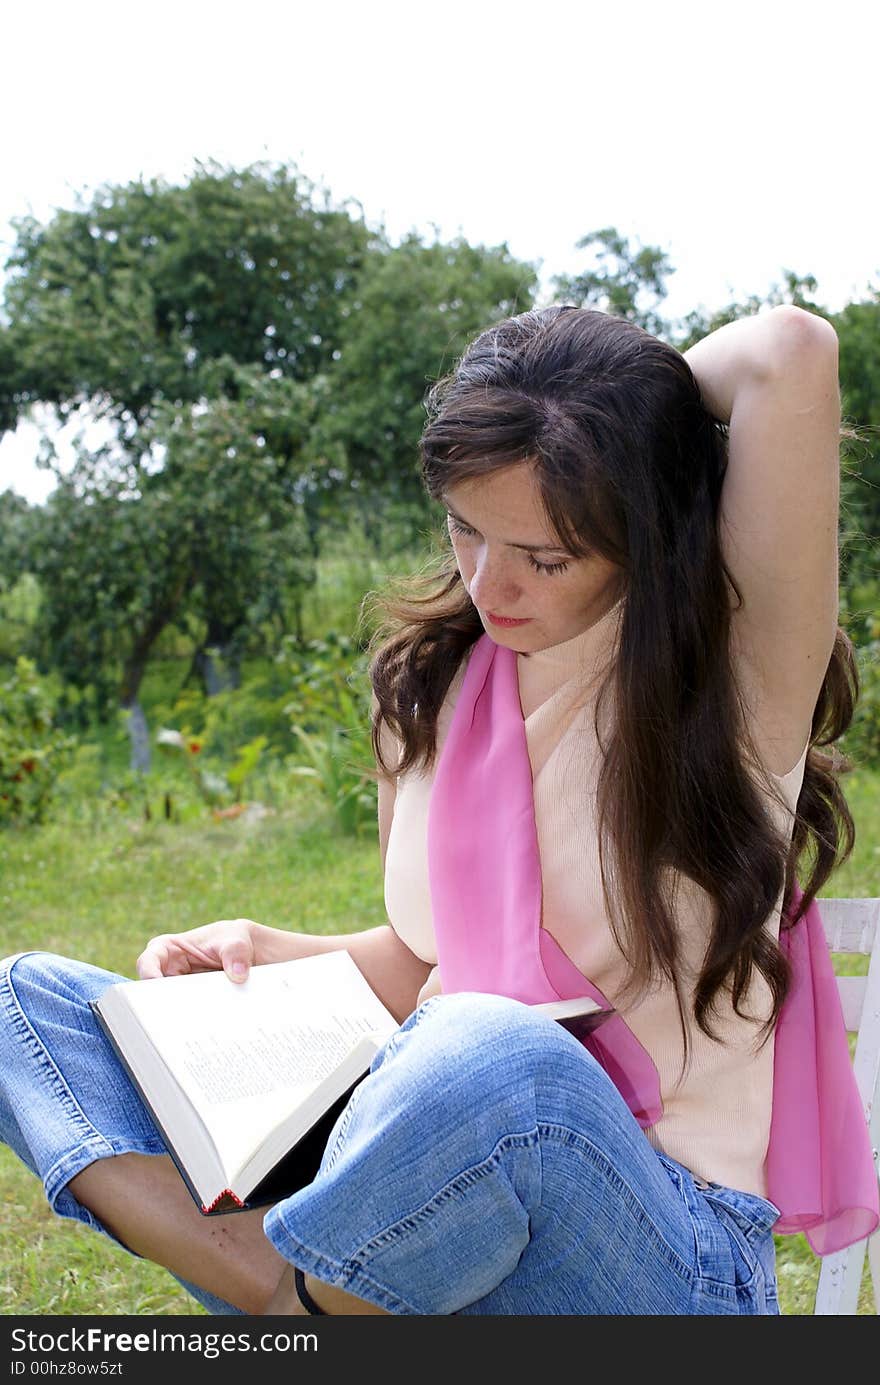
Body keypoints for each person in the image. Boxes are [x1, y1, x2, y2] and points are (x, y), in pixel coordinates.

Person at [0, 303, 864, 1317]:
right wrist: (272, 945)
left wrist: (613, 411)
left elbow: (790, 353)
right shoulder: (431, 689)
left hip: (663, 1248)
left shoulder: (731, 681)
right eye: (465, 528)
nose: (488, 582)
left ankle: (299, 1305)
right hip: (443, 1193)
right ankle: (304, 1285)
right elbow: (434, 959)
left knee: (493, 1053)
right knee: (29, 1003)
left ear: (641, 531)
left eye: (544, 557)